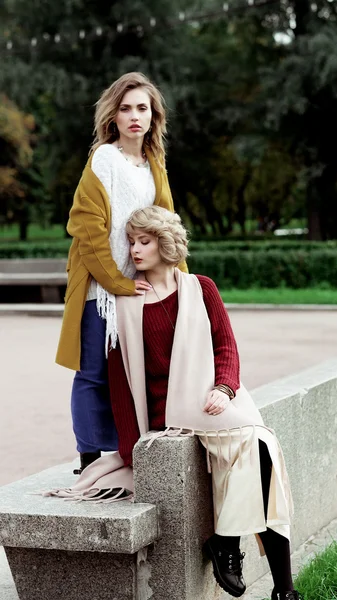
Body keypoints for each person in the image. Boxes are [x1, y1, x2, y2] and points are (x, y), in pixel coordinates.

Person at [106, 206, 302, 600]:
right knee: (254, 446)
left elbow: (226, 345)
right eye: (131, 242)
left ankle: (257, 568)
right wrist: (132, 451)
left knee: (259, 449)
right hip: (170, 412)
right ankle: (236, 553)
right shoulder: (125, 304)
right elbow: (120, 383)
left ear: (165, 243)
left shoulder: (202, 287)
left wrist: (225, 387)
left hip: (213, 400)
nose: (135, 250)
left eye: (144, 241)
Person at [55, 72, 187, 475]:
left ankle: (124, 453)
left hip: (142, 287)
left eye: (142, 108)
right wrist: (117, 282)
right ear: (113, 115)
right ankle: (90, 458)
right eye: (126, 108)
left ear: (153, 116)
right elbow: (87, 227)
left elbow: (165, 226)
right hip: (102, 287)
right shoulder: (104, 159)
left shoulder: (154, 165)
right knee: (93, 372)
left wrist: (184, 281)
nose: (134, 116)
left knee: (131, 373)